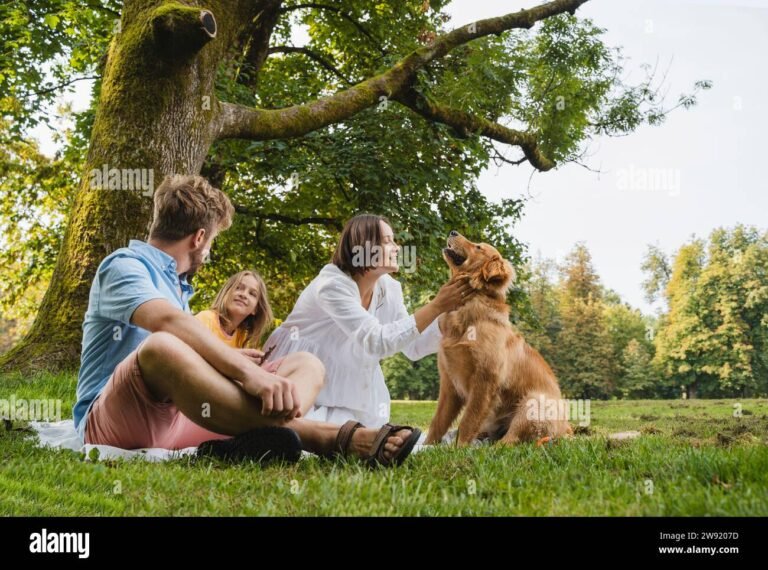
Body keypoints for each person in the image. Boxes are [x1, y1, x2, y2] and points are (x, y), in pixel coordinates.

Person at [72, 175, 427, 466]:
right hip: (116, 420)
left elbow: (186, 341)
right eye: (211, 241)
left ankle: (247, 441)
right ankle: (331, 437)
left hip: (189, 416)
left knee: (307, 363)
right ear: (198, 238)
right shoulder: (123, 265)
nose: (208, 250)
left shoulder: (177, 284)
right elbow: (165, 322)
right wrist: (249, 376)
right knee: (161, 347)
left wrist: (228, 362)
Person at [264, 214, 475, 428]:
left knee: (365, 437)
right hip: (299, 380)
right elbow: (376, 341)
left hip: (346, 386)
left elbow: (413, 345)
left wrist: (446, 319)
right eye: (387, 241)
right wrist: (437, 305)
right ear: (364, 247)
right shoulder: (331, 285)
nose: (397, 248)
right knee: (305, 436)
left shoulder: (390, 289)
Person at [195, 269, 282, 373]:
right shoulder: (206, 319)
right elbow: (191, 358)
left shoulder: (245, 339)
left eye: (252, 294)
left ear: (255, 309)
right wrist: (233, 356)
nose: (244, 295)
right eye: (238, 288)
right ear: (226, 293)